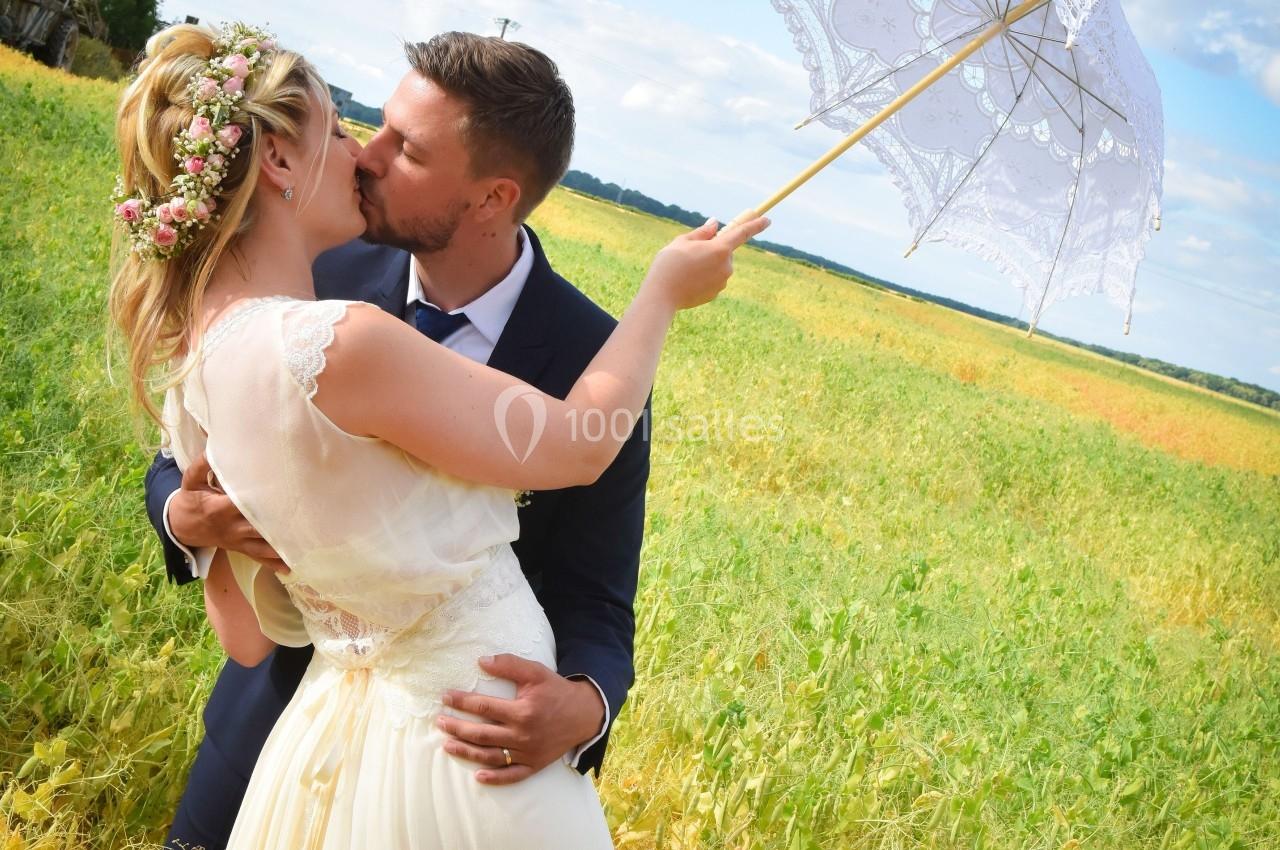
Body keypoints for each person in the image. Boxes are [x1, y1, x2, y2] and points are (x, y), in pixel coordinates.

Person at [113, 22, 768, 849]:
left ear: (493, 196)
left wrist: (587, 700)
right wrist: (188, 518)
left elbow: (597, 589)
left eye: (406, 149)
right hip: (281, 735)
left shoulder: (587, 353)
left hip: (466, 762)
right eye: (364, 127)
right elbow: (181, 474)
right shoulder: (326, 296)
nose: (368, 157)